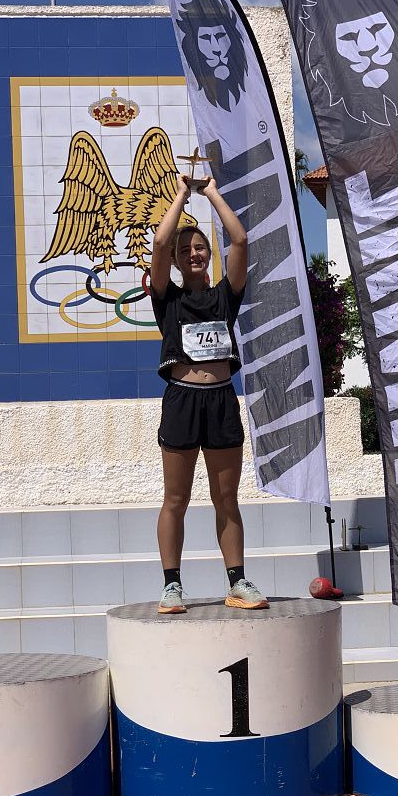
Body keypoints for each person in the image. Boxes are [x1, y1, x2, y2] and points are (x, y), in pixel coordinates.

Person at [149, 173, 269, 615]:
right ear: (178, 262)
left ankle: (237, 581)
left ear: (207, 254)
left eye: (199, 248)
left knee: (226, 498)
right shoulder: (167, 298)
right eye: (186, 251)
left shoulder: (224, 296)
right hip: (182, 400)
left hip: (221, 400)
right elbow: (159, 244)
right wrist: (183, 194)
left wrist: (212, 192)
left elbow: (240, 241)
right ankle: (172, 586)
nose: (193, 254)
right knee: (175, 499)